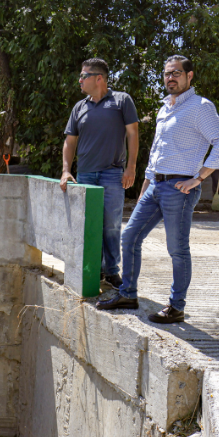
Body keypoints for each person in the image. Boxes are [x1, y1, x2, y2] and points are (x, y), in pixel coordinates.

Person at [95, 55, 219, 324]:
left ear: (189, 76)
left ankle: (176, 307)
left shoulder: (200, 107)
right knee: (130, 237)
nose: (171, 78)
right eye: (167, 73)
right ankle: (128, 293)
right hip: (155, 186)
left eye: (177, 73)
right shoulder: (164, 109)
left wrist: (199, 178)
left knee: (177, 250)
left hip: (179, 189)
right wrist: (146, 186)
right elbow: (157, 152)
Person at [61, 58, 140, 290]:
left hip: (112, 174)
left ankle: (112, 271)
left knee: (112, 225)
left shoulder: (121, 101)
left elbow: (133, 134)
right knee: (89, 225)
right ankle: (93, 270)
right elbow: (69, 142)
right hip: (85, 176)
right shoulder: (79, 107)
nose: (80, 80)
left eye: (84, 76)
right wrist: (66, 171)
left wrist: (132, 168)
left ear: (99, 78)